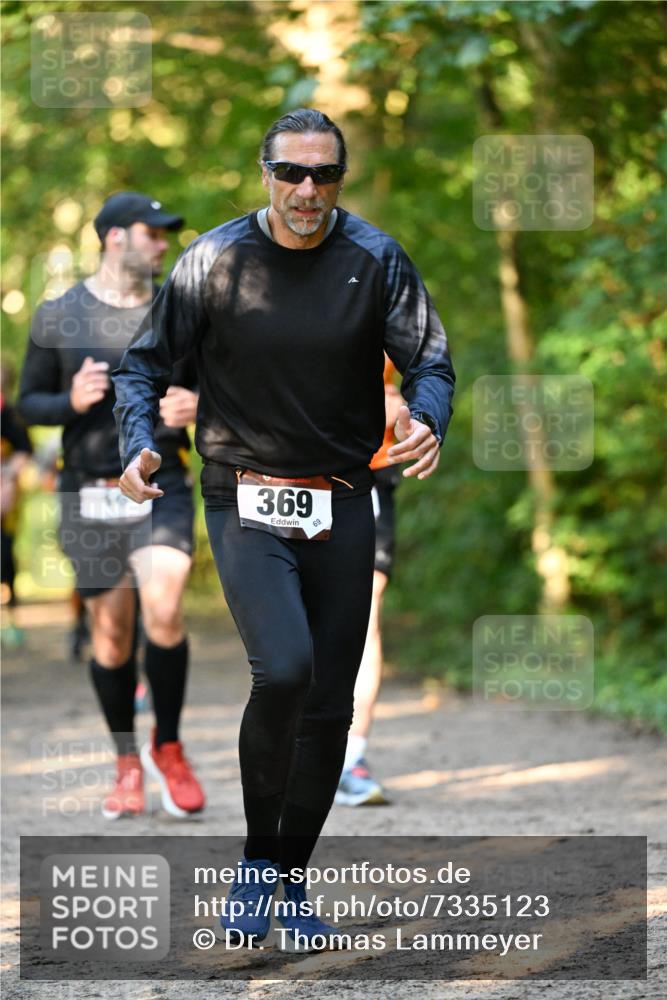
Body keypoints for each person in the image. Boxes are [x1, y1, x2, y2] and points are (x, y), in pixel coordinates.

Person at [113, 109, 455, 951]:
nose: (307, 190)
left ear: (340, 178)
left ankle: (285, 880)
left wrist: (429, 419)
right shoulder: (213, 260)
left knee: (330, 706)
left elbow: (431, 360)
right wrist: (138, 446)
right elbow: (143, 364)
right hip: (244, 496)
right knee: (287, 670)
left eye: (324, 175)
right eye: (290, 173)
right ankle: (256, 871)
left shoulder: (374, 259)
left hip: (343, 496)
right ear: (265, 172)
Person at [18, 192, 205, 820]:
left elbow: (219, 387)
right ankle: (127, 763)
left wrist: (197, 405)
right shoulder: (59, 314)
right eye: (152, 233)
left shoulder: (175, 311)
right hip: (90, 488)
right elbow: (26, 405)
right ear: (113, 238)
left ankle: (169, 747)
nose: (161, 245)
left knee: (166, 605)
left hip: (161, 484)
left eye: (165, 236)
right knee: (112, 633)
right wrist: (67, 401)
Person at [335, 356, 403, 806]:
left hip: (368, 471)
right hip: (287, 472)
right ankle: (304, 744)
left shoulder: (388, 288)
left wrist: (413, 410)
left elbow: (427, 367)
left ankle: (351, 757)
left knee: (366, 613)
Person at [1, 362, 33, 649]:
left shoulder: (9, 416)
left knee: (4, 556)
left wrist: (7, 480)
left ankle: (10, 619)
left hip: (4, 503)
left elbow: (25, 450)